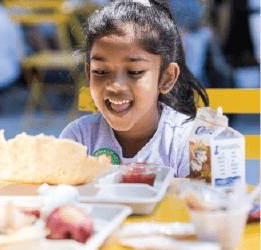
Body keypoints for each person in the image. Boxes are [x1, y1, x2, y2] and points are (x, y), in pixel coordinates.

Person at [59, 0, 209, 178]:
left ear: (166, 79)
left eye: (134, 72)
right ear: (89, 73)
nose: (115, 86)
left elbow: (206, 199)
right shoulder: (78, 138)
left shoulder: (191, 141)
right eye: (100, 71)